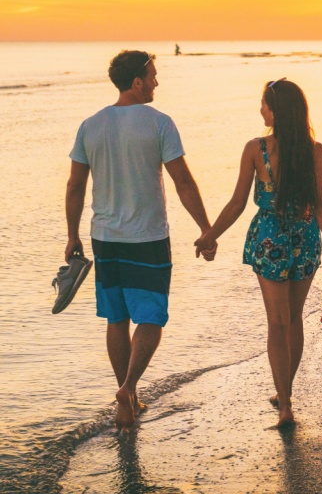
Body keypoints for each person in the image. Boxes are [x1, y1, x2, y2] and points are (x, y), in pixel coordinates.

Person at [64, 50, 215, 430]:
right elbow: (183, 181)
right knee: (150, 317)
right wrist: (205, 228)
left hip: (105, 238)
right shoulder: (159, 123)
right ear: (136, 82)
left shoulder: (90, 125)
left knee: (117, 319)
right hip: (147, 237)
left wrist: (71, 235)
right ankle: (130, 387)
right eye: (152, 76)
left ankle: (125, 398)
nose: (156, 82)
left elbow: (75, 186)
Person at [195, 78, 322, 429]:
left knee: (277, 324)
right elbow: (321, 204)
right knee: (293, 321)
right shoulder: (314, 150)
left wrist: (210, 234)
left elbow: (236, 203)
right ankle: (285, 394)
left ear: (276, 110)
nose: (260, 109)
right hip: (306, 238)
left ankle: (285, 406)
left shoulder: (256, 148)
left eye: (264, 103)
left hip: (270, 241)